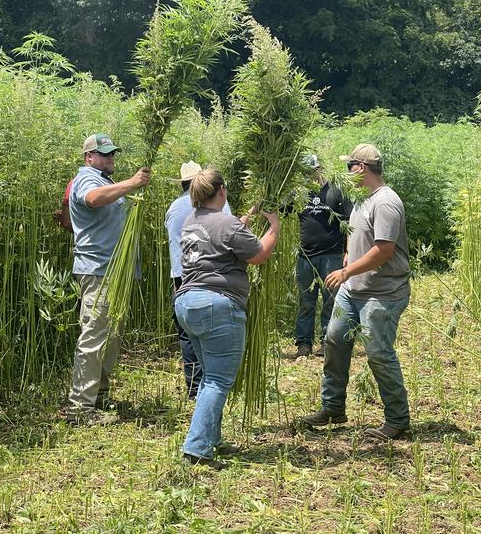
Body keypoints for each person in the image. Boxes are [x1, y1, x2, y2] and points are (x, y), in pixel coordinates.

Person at [302, 144, 411, 441]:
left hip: (383, 293)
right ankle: (333, 407)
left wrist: (347, 271)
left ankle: (397, 420)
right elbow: (354, 233)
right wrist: (349, 254)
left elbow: (384, 250)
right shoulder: (362, 199)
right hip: (353, 292)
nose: (346, 170)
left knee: (378, 353)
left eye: (349, 165)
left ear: (360, 168)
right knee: (335, 341)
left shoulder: (386, 202)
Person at [174, 169, 280, 469]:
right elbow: (258, 254)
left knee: (210, 377)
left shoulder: (192, 222)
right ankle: (196, 448)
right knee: (219, 380)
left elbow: (227, 234)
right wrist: (274, 226)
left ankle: (211, 438)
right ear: (221, 190)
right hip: (217, 306)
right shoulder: (226, 223)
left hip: (187, 304)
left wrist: (250, 213)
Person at [65, 133, 150, 425]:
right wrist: (132, 184)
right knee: (93, 336)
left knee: (110, 338)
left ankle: (99, 396)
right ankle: (80, 409)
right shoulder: (87, 179)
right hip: (98, 270)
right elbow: (91, 199)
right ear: (89, 157)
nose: (111, 157)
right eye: (104, 154)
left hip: (114, 272)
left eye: (113, 153)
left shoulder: (106, 181)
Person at [165, 160, 231, 398]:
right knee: (215, 331)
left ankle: (194, 387)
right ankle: (214, 384)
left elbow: (175, 247)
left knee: (187, 334)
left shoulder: (173, 208)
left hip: (181, 277)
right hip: (211, 276)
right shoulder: (218, 206)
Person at [293, 154, 351, 359]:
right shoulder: (299, 193)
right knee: (306, 302)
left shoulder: (336, 191)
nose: (309, 176)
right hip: (306, 257)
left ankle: (328, 341)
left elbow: (348, 224)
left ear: (320, 169)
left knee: (330, 301)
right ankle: (303, 344)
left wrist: (347, 252)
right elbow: (281, 208)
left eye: (312, 172)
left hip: (332, 256)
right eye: (305, 173)